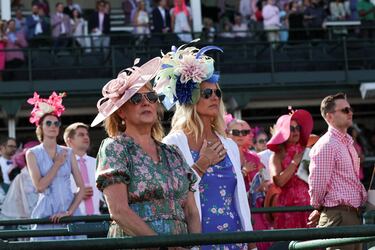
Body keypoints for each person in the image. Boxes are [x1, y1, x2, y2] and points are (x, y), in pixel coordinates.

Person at [155, 43, 255, 250]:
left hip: (234, 238)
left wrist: (250, 241)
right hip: (197, 239)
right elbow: (172, 194)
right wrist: (202, 163)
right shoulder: (173, 143)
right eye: (206, 94)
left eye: (217, 93)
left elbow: (240, 200)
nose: (215, 98)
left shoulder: (229, 144)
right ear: (189, 99)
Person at [92, 57, 201, 238]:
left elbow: (191, 211)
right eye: (135, 98)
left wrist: (194, 246)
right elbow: (118, 211)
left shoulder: (172, 152)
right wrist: (164, 248)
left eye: (151, 97)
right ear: (121, 111)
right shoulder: (115, 148)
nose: (146, 102)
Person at [308, 93, 367, 250]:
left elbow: (350, 182)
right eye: (345, 110)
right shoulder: (327, 144)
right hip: (339, 217)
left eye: (350, 109)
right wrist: (320, 207)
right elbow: (317, 184)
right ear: (329, 116)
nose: (350, 113)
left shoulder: (345, 143)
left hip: (349, 216)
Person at [26, 92, 85, 241]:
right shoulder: (32, 153)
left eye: (56, 123)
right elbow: (39, 187)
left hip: (70, 213)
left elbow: (81, 188)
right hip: (46, 214)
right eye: (48, 123)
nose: (53, 126)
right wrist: (57, 164)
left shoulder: (68, 152)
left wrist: (69, 212)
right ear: (40, 127)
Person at [227, 119, 271, 250]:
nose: (241, 135)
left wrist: (263, 187)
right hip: (232, 205)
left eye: (245, 132)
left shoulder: (255, 158)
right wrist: (244, 172)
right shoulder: (223, 155)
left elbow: (263, 181)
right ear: (227, 133)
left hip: (254, 207)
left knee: (259, 241)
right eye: (236, 132)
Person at [266, 108, 313, 229]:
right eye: (291, 128)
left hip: (309, 206)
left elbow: (317, 138)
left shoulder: (306, 151)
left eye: (298, 128)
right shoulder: (276, 156)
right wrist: (294, 162)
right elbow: (279, 182)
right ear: (283, 131)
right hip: (288, 208)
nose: (296, 131)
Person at [64, 122, 101, 215]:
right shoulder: (63, 165)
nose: (86, 137)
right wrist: (77, 196)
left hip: (97, 218)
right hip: (73, 219)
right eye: (81, 135)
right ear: (70, 141)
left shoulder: (98, 163)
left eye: (86, 134)